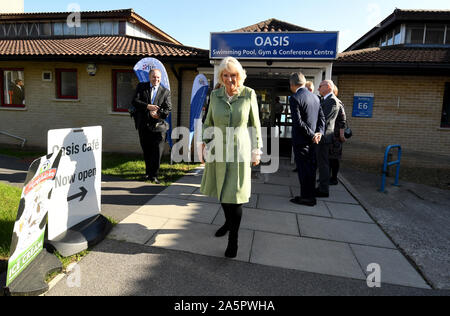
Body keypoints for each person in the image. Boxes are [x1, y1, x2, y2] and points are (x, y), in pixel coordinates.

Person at [200, 57, 263, 258]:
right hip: (217, 151)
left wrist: (257, 149)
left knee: (235, 198)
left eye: (233, 75)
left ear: (240, 76)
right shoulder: (215, 94)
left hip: (240, 152)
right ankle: (228, 222)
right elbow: (208, 122)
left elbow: (255, 124)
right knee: (222, 193)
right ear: (221, 77)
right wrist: (203, 143)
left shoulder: (248, 94)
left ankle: (233, 239)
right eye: (225, 75)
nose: (230, 79)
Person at [289, 72, 325, 207]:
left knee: (304, 171)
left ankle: (306, 198)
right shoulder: (316, 97)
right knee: (310, 169)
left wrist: (312, 135)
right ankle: (310, 195)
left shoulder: (295, 98)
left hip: (302, 141)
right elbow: (322, 118)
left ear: (292, 85)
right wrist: (318, 134)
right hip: (314, 141)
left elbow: (298, 123)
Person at [131, 69, 172, 184]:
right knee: (147, 151)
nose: (156, 79)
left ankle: (154, 175)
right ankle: (148, 173)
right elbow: (134, 101)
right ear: (149, 77)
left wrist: (158, 114)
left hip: (159, 127)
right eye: (154, 77)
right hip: (143, 126)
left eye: (158, 77)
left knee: (157, 152)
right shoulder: (141, 87)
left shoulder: (165, 92)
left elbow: (167, 109)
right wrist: (147, 106)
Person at [316, 80, 340, 197]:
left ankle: (323, 190)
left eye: (320, 86)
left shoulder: (332, 101)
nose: (318, 89)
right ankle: (321, 186)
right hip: (322, 137)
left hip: (324, 138)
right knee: (322, 164)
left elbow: (323, 120)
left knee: (323, 165)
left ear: (328, 87)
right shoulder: (326, 100)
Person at [329, 86, 346, 185]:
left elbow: (342, 121)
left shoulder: (338, 103)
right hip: (331, 136)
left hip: (336, 137)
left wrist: (341, 135)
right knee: (329, 158)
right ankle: (327, 177)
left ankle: (334, 178)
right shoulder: (330, 102)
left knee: (334, 159)